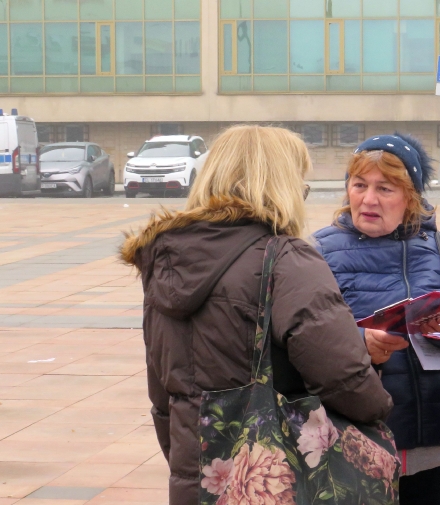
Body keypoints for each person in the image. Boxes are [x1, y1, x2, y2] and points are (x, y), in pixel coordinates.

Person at [120, 125, 392, 505]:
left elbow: (163, 395)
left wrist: (191, 466)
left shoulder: (166, 261)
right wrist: (380, 409)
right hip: (277, 483)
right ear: (282, 186)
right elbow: (343, 376)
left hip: (199, 480)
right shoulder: (285, 260)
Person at [312, 133, 440, 505]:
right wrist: (362, 344)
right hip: (355, 444)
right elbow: (303, 340)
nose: (368, 199)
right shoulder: (317, 252)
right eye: (359, 185)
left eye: (385, 189)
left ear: (411, 197)